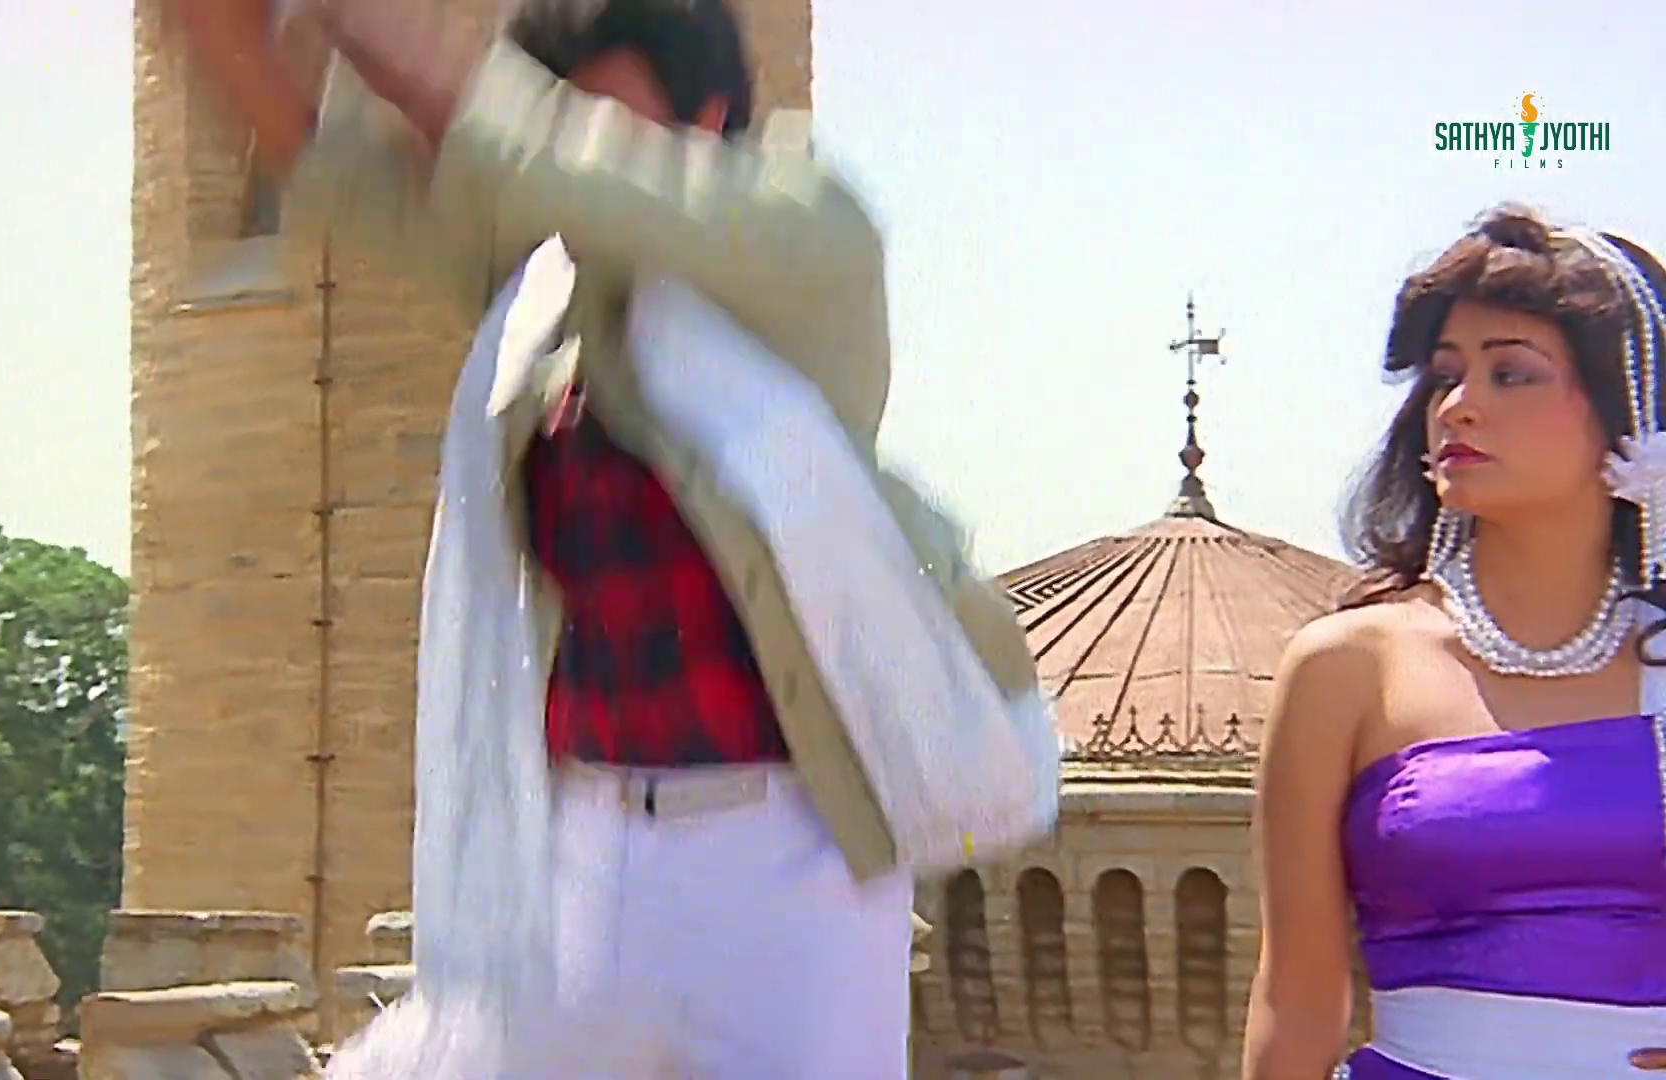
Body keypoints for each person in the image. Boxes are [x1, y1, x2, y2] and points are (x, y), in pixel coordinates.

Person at [167, 0, 1057, 1075]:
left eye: (593, 119)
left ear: (706, 119)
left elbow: (538, 158)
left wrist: (358, 20)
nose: (559, 157)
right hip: (586, 850)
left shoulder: (809, 238)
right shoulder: (550, 301)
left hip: (793, 861)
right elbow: (333, 167)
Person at [1243, 204, 1666, 1079]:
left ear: (1629, 408)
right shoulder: (1347, 667)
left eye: (1512, 373)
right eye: (1445, 376)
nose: (1460, 408)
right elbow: (1298, 999)